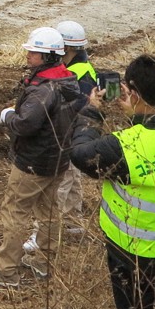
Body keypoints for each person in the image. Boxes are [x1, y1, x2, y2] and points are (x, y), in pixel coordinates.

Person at [70, 54, 155, 309]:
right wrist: (139, 114)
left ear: (133, 93)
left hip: (134, 256)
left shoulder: (127, 146)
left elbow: (83, 155)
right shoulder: (138, 138)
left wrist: (92, 113)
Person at [0, 27, 81, 287]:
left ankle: (7, 273)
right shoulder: (69, 80)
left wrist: (8, 116)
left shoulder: (42, 90)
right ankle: (46, 266)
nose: (27, 55)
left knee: (15, 212)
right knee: (49, 212)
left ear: (47, 56)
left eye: (32, 52)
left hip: (33, 162)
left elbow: (25, 124)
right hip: (58, 161)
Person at [56, 20, 98, 234]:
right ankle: (74, 221)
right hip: (77, 132)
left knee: (61, 180)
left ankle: (45, 231)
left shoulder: (76, 73)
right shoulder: (80, 67)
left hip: (70, 133)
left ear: (68, 47)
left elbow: (76, 107)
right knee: (72, 177)